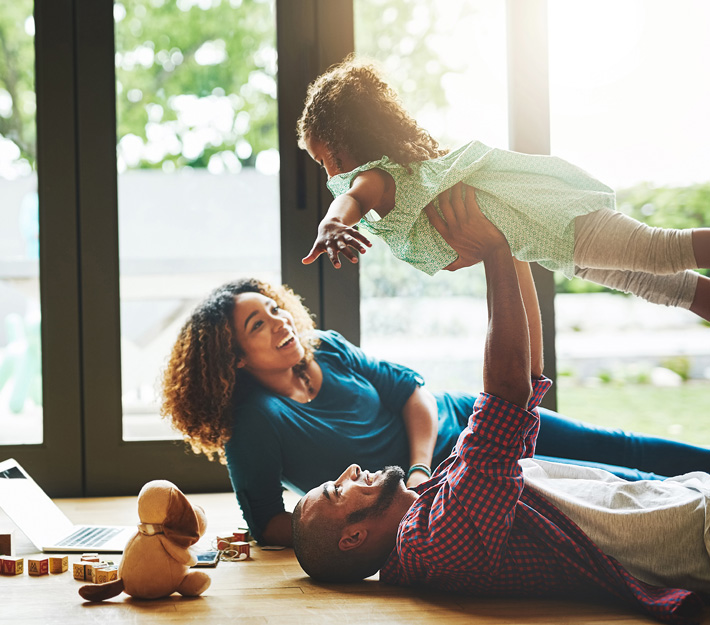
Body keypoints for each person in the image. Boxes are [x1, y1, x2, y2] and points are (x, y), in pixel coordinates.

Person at [160, 188, 710, 550]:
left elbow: (411, 391)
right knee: (612, 486)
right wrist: (376, 527)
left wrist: (419, 469)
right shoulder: (254, 422)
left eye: (275, 307)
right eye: (259, 325)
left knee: (617, 447)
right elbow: (269, 523)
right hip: (457, 486)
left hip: (467, 420)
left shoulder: (323, 346)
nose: (280, 322)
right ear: (232, 357)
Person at [291, 197, 709, 625]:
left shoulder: (433, 502)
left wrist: (510, 246)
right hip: (694, 534)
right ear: (353, 538)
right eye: (336, 492)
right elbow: (505, 396)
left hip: (688, 500)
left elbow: (525, 382)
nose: (351, 471)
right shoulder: (431, 541)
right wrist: (492, 253)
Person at [297, 56, 710, 322]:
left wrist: (331, 226)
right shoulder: (407, 180)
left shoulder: (378, 179)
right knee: (662, 286)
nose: (328, 174)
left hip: (553, 220)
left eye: (323, 160)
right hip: (550, 242)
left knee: (661, 251)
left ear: (346, 138)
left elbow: (349, 199)